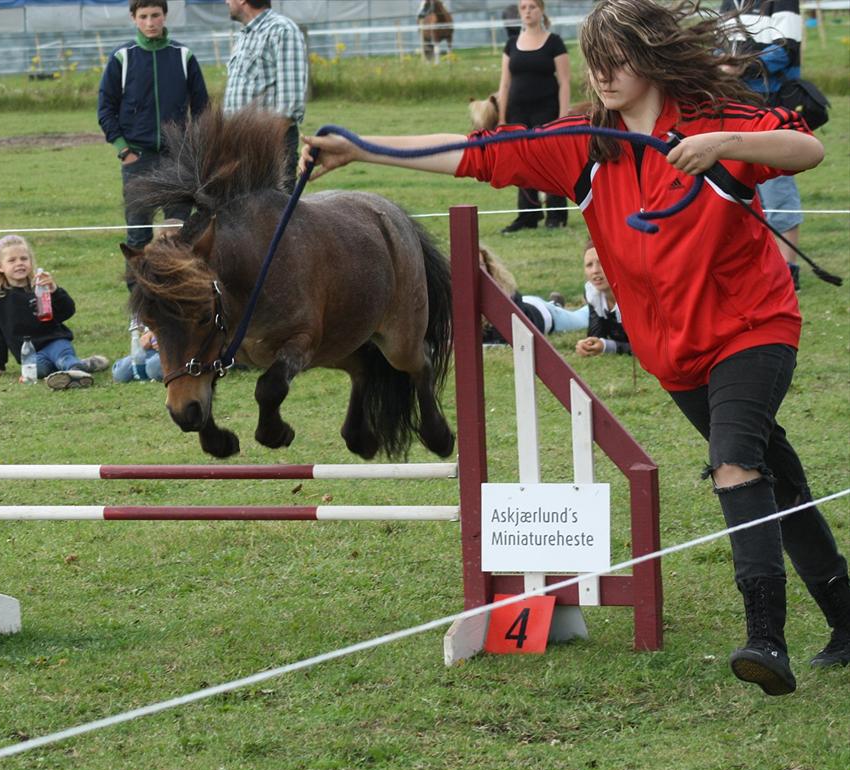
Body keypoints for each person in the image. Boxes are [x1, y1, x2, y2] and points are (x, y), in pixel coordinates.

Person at [303, 0, 848, 693]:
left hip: (753, 328)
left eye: (616, 58)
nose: (604, 74)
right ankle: (845, 615)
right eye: (595, 62)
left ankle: (766, 642)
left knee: (735, 463)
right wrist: (363, 149)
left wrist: (722, 148)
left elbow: (808, 147)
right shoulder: (584, 142)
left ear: (650, 56)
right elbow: (474, 154)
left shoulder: (715, 119)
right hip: (669, 350)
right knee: (777, 473)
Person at [98, 0, 208, 254]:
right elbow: (105, 108)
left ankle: (181, 290)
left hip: (177, 159)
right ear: (133, 18)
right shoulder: (122, 58)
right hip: (138, 159)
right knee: (138, 236)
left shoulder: (184, 56)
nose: (150, 22)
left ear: (165, 16)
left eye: (155, 15)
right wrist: (124, 150)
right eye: (144, 16)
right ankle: (138, 291)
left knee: (181, 233)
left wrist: (194, 149)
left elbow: (203, 109)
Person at [721, 0, 804, 290]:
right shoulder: (729, 2)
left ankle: (789, 268)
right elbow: (721, 46)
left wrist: (741, 64)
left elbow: (786, 49)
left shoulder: (782, 1)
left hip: (772, 106)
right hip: (736, 107)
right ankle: (758, 266)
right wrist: (719, 62)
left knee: (778, 187)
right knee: (743, 187)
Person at [0, 235, 110, 390]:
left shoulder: (41, 287)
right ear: (0, 266)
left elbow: (67, 311)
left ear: (31, 262)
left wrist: (55, 290)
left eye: (24, 258)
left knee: (64, 357)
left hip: (55, 341)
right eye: (12, 260)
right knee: (38, 371)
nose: (19, 263)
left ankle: (76, 371)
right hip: (30, 353)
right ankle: (82, 366)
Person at [495, 0, 570, 232]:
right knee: (522, 163)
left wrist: (563, 116)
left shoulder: (554, 43)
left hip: (546, 110)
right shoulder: (511, 44)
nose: (528, 12)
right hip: (518, 111)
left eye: (532, 7)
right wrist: (501, 118)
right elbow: (504, 84)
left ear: (541, 10)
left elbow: (565, 81)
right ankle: (528, 216)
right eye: (523, 8)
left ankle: (556, 215)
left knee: (549, 161)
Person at [223, 0, 308, 192]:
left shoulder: (282, 30)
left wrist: (261, 149)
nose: (226, 1)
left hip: (268, 146)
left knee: (272, 217)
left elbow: (290, 103)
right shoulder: (244, 35)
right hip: (238, 145)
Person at [477, 244, 588, 345]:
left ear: (488, 268)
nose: (477, 270)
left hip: (545, 314)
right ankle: (556, 303)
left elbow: (503, 340)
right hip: (528, 302)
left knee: (583, 318)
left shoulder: (504, 295)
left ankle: (595, 297)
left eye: (480, 265)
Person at [574, 239, 631, 358]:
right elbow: (597, 335)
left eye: (602, 263)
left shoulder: (633, 296)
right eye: (589, 265)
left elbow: (645, 348)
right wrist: (587, 345)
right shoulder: (593, 293)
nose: (595, 271)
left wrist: (607, 346)